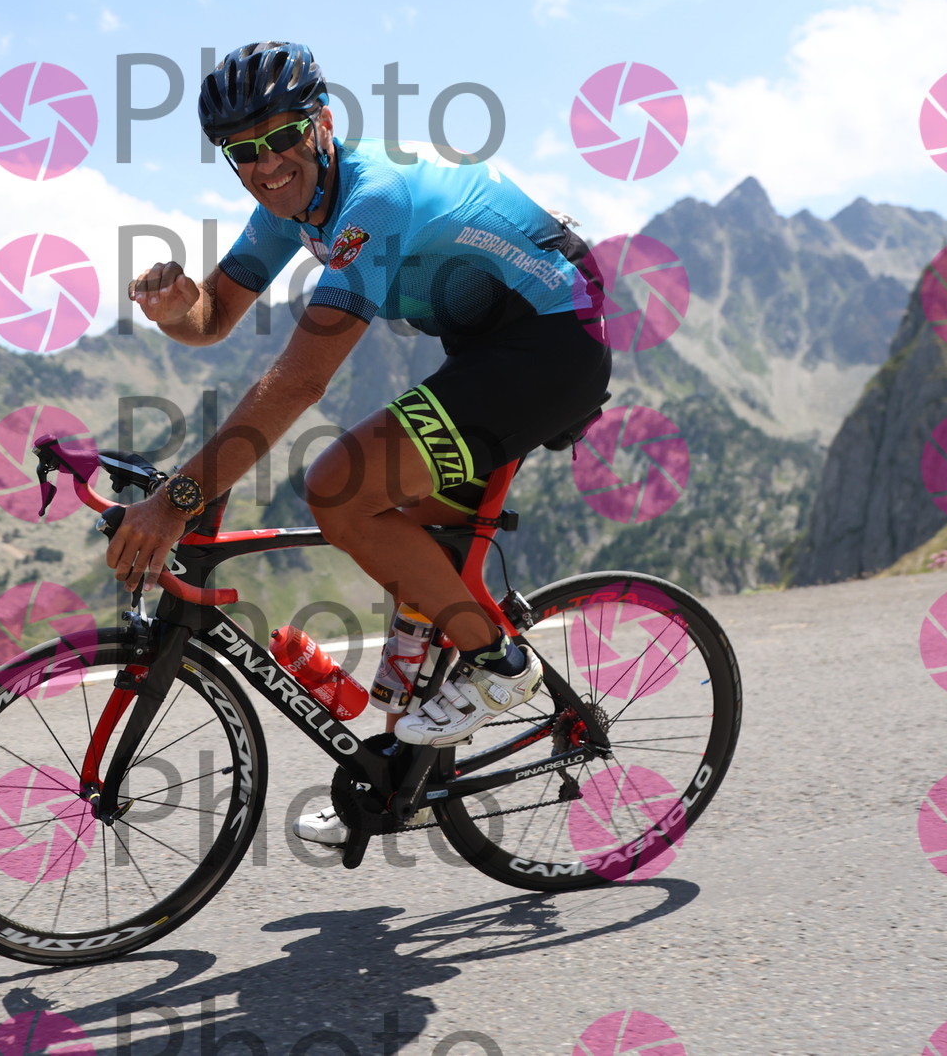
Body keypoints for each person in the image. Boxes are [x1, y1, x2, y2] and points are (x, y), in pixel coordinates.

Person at [111, 42, 611, 845]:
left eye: (282, 137)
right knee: (419, 561)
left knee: (340, 489)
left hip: (553, 344)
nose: (266, 164)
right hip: (490, 349)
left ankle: (502, 666)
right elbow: (215, 316)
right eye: (242, 151)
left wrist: (179, 499)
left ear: (322, 123)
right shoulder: (289, 206)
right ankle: (403, 783)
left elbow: (301, 379)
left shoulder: (371, 199)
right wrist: (178, 310)